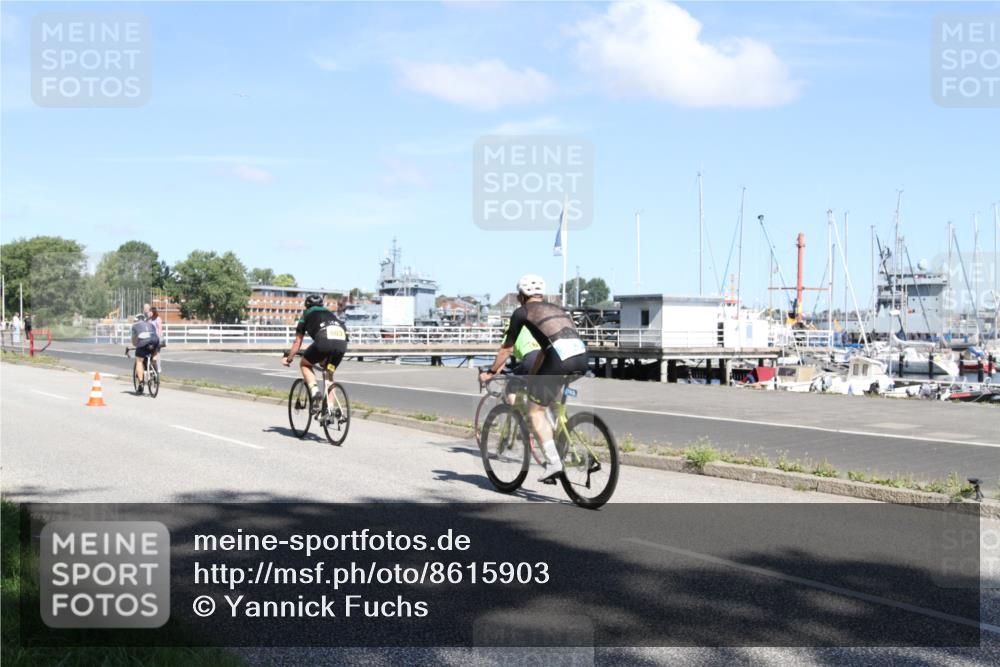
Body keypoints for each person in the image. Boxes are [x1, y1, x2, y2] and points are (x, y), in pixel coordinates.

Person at [479, 275, 588, 484]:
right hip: (581, 358)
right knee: (549, 402)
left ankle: (554, 462)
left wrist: (491, 372)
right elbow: (544, 351)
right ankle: (559, 439)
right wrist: (533, 376)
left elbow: (507, 348)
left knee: (534, 410)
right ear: (542, 295)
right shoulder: (558, 309)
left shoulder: (522, 312)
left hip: (558, 360)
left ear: (520, 296)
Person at [283, 294, 349, 409]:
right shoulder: (329, 314)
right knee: (329, 373)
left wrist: (289, 358)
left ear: (306, 306)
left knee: (304, 364)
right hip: (341, 343)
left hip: (324, 341)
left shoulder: (307, 314)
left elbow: (297, 341)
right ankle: (330, 409)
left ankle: (314, 391)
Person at [130, 313, 159, 394]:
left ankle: (141, 383)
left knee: (139, 361)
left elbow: (134, 341)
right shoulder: (151, 324)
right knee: (154, 351)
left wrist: (136, 346)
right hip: (155, 341)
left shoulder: (135, 326)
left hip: (143, 342)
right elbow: (155, 334)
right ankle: (154, 364)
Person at [148, 306, 164, 372]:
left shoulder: (158, 319)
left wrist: (158, 338)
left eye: (150, 311)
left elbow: (160, 329)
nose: (149, 313)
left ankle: (158, 367)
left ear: (153, 312)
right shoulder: (149, 319)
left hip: (157, 338)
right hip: (151, 338)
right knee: (150, 352)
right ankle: (151, 367)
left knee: (157, 353)